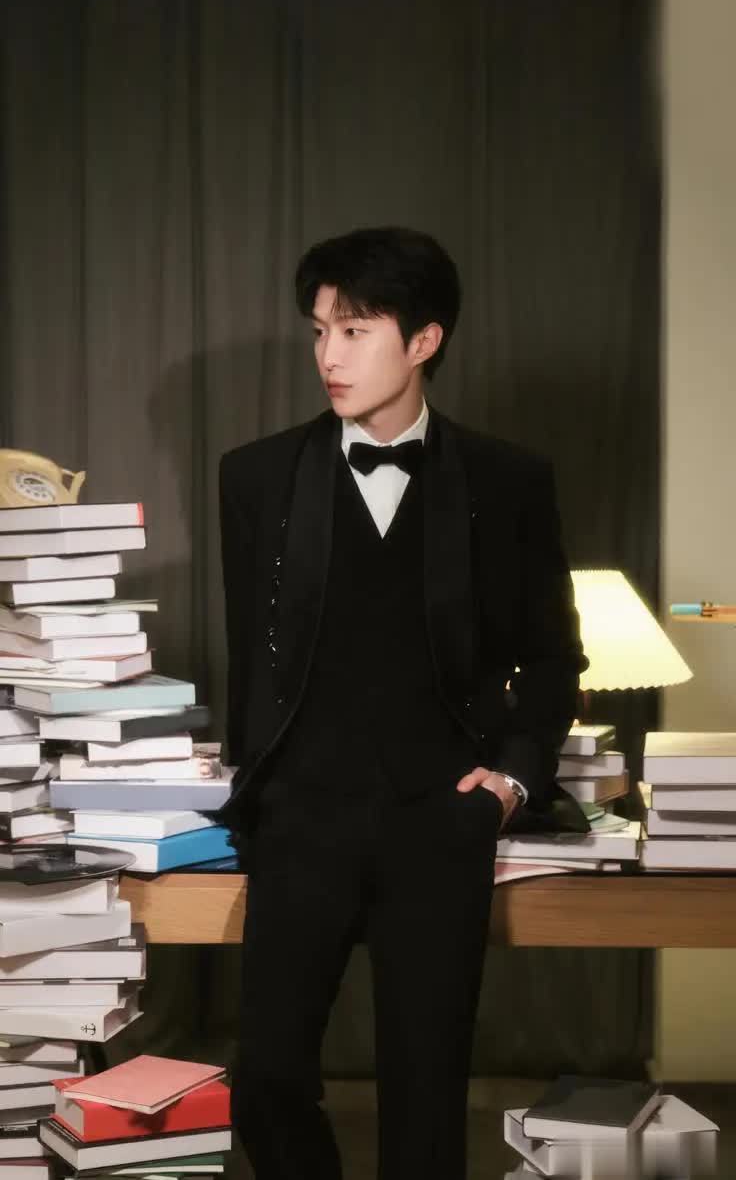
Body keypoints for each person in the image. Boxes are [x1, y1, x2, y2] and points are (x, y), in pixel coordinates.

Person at [218, 226, 587, 1180]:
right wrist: (254, 788)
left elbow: (554, 659)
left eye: (355, 330)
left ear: (424, 340)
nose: (329, 355)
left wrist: (509, 783)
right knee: (266, 1082)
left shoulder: (509, 481)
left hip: (440, 821)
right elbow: (251, 658)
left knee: (426, 1109)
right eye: (319, 331)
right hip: (302, 822)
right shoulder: (255, 476)